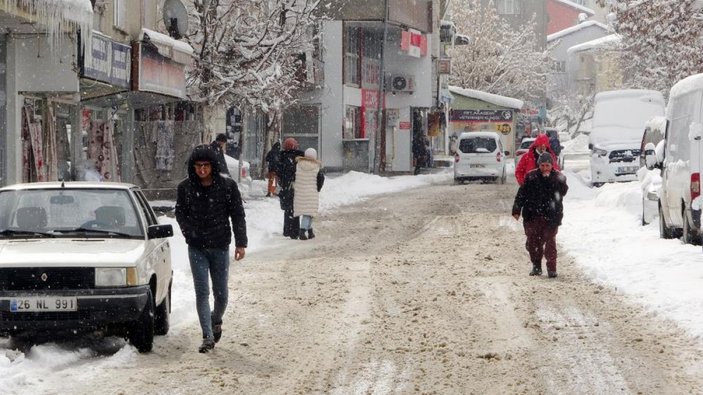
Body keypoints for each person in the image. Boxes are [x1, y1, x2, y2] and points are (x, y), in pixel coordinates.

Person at [175, 144, 247, 353]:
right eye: (198, 166)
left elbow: (237, 215)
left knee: (221, 294)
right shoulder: (185, 188)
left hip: (220, 246)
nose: (202, 170)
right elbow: (180, 214)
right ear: (193, 167)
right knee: (202, 292)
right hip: (196, 248)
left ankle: (216, 320)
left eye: (206, 165)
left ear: (212, 166)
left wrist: (241, 242)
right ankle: (207, 335)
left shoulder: (227, 187)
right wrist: (190, 233)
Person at [512, 152, 568, 278]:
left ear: (551, 165)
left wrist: (555, 180)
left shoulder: (558, 177)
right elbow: (521, 194)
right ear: (539, 165)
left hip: (551, 215)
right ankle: (536, 266)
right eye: (542, 165)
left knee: (550, 242)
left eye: (547, 165)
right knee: (533, 242)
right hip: (532, 215)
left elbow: (563, 191)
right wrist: (516, 209)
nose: (545, 168)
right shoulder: (531, 177)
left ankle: (551, 268)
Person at [294, 148, 325, 240]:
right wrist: (318, 189)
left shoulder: (298, 165)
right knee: (308, 212)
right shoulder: (316, 167)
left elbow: (294, 176)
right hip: (311, 192)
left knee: (307, 212)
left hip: (300, 192)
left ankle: (310, 231)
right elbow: (320, 180)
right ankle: (302, 231)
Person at [278, 137, 304, 239]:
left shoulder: (282, 157)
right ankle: (295, 231)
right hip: (297, 186)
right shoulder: (300, 157)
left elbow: (279, 171)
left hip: (286, 187)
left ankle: (287, 230)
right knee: (295, 209)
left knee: (287, 209)